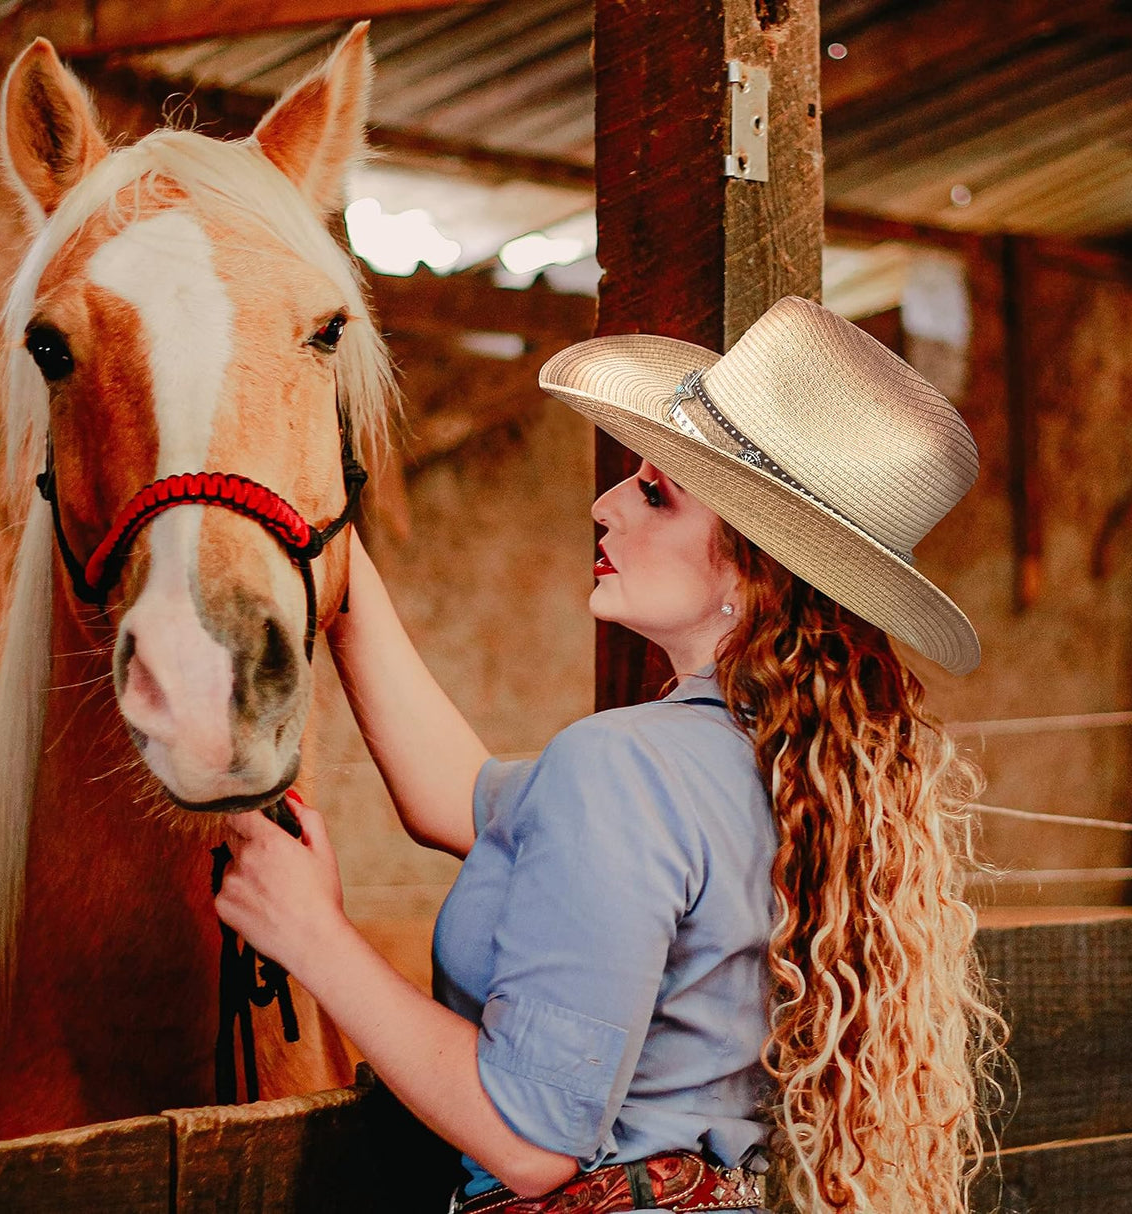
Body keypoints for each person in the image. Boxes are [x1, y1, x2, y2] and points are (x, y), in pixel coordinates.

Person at [215, 295, 1006, 1214]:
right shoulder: (777, 768)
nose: (605, 504)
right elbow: (456, 800)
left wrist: (311, 935)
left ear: (754, 573)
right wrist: (328, 547)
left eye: (655, 492)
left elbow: (530, 1145)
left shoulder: (626, 765)